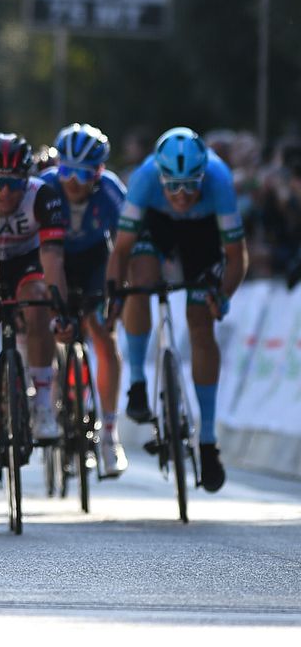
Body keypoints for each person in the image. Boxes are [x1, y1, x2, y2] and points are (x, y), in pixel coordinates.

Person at [106, 127, 247, 493]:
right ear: (160, 178)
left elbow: (235, 256)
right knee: (140, 280)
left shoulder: (219, 180)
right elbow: (120, 251)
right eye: (174, 186)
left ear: (203, 176)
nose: (182, 196)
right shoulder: (144, 180)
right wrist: (114, 294)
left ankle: (208, 441)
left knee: (201, 326)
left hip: (203, 234)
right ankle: (137, 382)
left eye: (190, 186)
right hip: (157, 226)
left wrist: (224, 294)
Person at [0, 133, 67, 483]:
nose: (5, 193)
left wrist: (58, 302)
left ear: (27, 179)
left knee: (38, 301)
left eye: (14, 183)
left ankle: (42, 406)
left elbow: (52, 258)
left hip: (25, 262)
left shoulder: (43, 196)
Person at [40, 123, 128, 477]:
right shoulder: (44, 187)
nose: (73, 181)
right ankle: (47, 403)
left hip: (93, 259)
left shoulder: (110, 192)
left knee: (102, 334)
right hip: (51, 255)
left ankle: (109, 433)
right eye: (66, 170)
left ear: (99, 172)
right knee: (44, 324)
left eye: (83, 173)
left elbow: (126, 248)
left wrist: (119, 292)